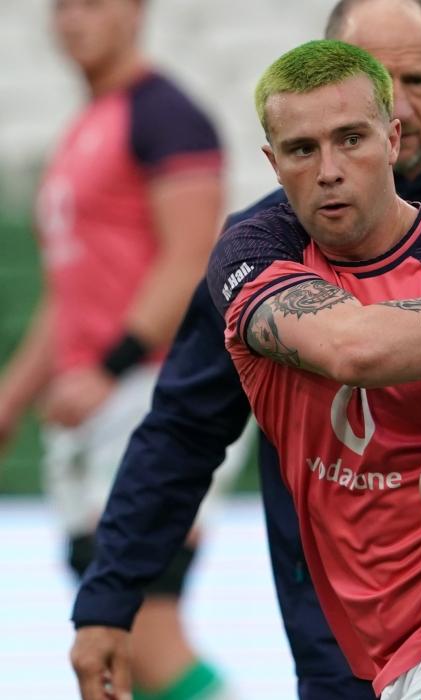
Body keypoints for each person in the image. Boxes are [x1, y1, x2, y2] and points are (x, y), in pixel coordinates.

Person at [70, 1, 421, 699]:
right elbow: (186, 429)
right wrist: (109, 597)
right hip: (349, 636)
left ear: (402, 120)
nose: (405, 103)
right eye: (306, 147)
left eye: (416, 80)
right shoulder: (260, 247)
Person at [0, 0, 244, 698]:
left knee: (143, 632)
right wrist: (13, 397)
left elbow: (193, 255)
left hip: (155, 394)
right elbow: (69, 296)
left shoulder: (165, 114)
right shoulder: (85, 127)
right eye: (62, 6)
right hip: (100, 406)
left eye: (92, 3)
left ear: (135, 12)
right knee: (115, 642)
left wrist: (109, 368)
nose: (72, 19)